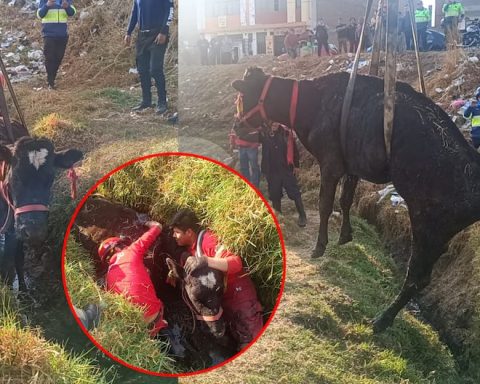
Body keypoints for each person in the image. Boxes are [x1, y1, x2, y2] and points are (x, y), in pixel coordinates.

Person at [170, 208, 263, 350]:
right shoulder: (192, 248)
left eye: (177, 232)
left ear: (189, 232)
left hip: (239, 297)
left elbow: (236, 263)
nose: (174, 236)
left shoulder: (209, 240)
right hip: (220, 298)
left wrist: (206, 261)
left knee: (250, 342)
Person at [98, 221, 168, 337]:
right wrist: (147, 223)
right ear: (118, 247)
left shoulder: (107, 279)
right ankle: (162, 323)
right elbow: (158, 227)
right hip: (155, 316)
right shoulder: (131, 251)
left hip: (138, 329)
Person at [124, 0, 174, 114]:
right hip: (142, 36)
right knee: (142, 70)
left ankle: (162, 102)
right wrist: (128, 32)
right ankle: (146, 101)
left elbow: (169, 10)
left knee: (155, 69)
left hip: (158, 35)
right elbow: (135, 12)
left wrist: (164, 32)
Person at [260, 122, 307, 227]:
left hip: (286, 169)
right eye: (272, 122)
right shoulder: (264, 134)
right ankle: (279, 217)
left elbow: (294, 150)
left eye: (276, 122)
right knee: (275, 194)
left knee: (294, 192)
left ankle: (302, 216)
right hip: (272, 171)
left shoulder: (286, 134)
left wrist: (297, 165)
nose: (274, 125)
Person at [37, 0, 77, 90]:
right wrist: (47, 5)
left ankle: (52, 78)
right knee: (49, 57)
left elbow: (72, 13)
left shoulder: (66, 1)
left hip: (62, 35)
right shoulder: (44, 1)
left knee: (58, 57)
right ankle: (50, 82)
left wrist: (67, 6)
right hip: (48, 35)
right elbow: (40, 15)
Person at [229, 121, 261, 188]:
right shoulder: (238, 120)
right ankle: (247, 186)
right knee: (244, 168)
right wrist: (232, 143)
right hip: (242, 148)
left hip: (252, 147)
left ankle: (255, 187)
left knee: (254, 167)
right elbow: (233, 131)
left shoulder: (254, 119)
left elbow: (258, 132)